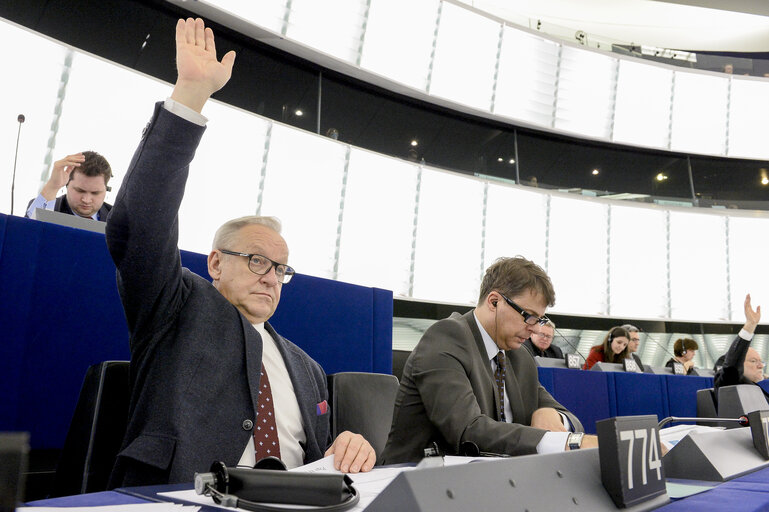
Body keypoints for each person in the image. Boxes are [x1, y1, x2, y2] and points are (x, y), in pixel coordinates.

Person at [105, 18, 374, 487]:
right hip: (187, 496)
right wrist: (190, 95)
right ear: (215, 263)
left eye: (281, 269)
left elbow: (322, 461)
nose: (271, 277)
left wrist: (349, 447)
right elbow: (140, 225)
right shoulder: (174, 306)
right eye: (256, 261)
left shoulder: (308, 369)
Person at [381, 256, 594, 464]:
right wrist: (566, 443)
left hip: (490, 481)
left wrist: (552, 415)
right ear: (494, 302)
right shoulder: (446, 337)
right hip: (415, 481)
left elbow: (571, 419)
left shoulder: (519, 357)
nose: (535, 328)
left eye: (539, 319)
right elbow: (469, 431)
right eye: (528, 315)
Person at [25, 151, 113, 221]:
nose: (86, 200)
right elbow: (27, 235)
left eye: (95, 193)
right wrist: (52, 187)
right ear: (67, 184)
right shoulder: (47, 207)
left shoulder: (118, 220)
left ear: (106, 190)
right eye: (79, 190)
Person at [714, 294, 766, 399]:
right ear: (740, 364)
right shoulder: (731, 382)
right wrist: (750, 326)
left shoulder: (756, 388)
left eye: (761, 362)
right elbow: (732, 368)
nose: (761, 366)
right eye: (753, 361)